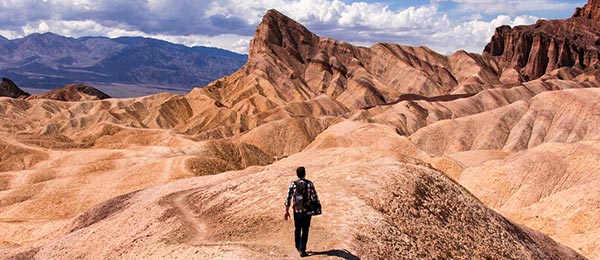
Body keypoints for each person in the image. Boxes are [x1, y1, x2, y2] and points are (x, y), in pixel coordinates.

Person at [284, 166, 319, 257]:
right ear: (304, 174)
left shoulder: (293, 184)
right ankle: (302, 249)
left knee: (297, 228)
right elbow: (315, 197)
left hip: (297, 211)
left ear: (297, 174)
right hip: (307, 212)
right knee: (305, 229)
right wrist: (316, 207)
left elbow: (288, 198)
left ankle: (298, 246)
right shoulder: (310, 184)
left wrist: (286, 211)